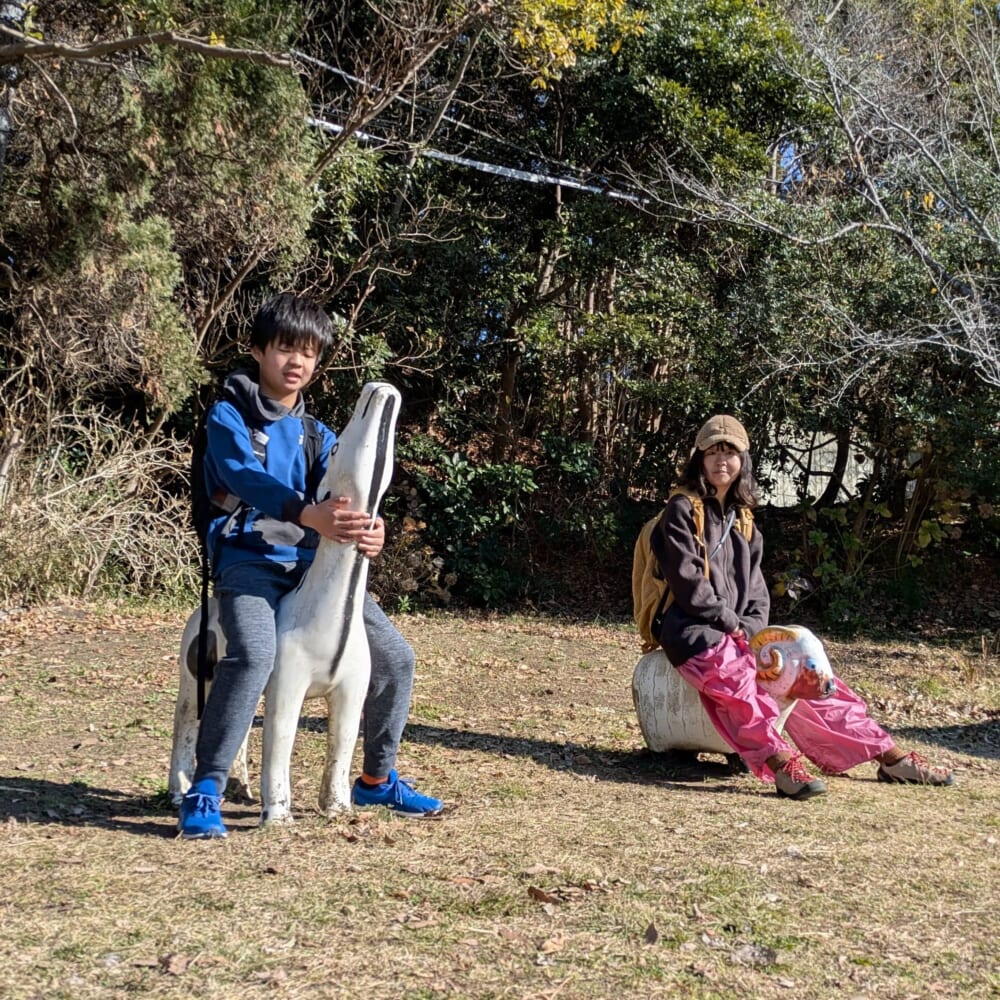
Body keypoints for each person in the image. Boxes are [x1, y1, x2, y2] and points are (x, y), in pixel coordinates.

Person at [178, 292, 443, 838]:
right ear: (257, 350)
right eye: (284, 349)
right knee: (253, 653)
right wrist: (306, 512)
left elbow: (340, 497)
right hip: (249, 562)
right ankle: (206, 786)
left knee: (395, 657)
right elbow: (239, 476)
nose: (296, 362)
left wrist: (369, 528)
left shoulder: (318, 435)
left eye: (308, 353)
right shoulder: (229, 416)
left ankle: (375, 778)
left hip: (310, 569)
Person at [650, 413, 954, 800]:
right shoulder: (681, 511)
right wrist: (731, 624)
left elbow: (757, 589)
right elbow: (688, 583)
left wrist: (754, 631)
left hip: (739, 629)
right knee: (739, 681)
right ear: (699, 459)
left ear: (743, 462)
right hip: (693, 630)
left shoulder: (745, 521)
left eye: (730, 453)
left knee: (807, 674)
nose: (721, 461)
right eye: (712, 452)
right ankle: (779, 762)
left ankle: (887, 755)